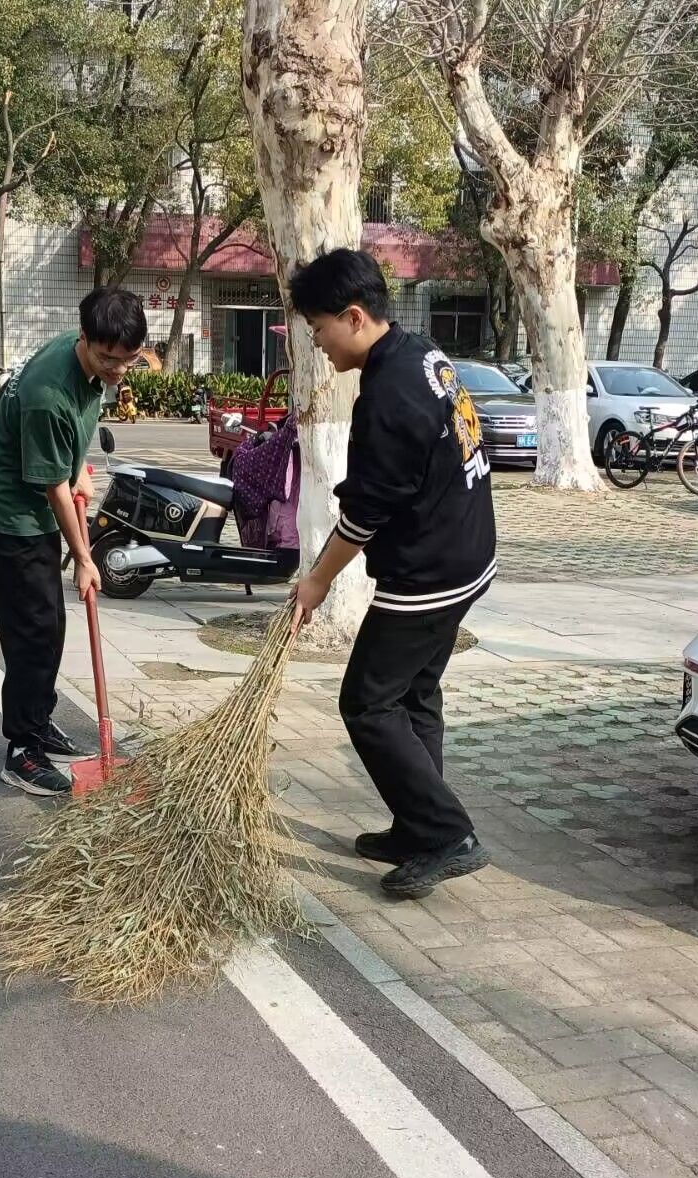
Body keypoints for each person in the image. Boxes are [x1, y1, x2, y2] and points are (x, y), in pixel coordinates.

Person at [287, 248, 497, 899]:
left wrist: (317, 581)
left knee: (367, 702)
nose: (318, 344)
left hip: (431, 570)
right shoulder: (420, 353)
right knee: (413, 696)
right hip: (466, 555)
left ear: (354, 317)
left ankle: (447, 834)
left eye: (319, 328)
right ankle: (418, 828)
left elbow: (364, 516)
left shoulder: (389, 394)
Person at [0, 287, 147, 796]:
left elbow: (69, 443)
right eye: (108, 360)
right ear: (85, 339)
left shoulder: (89, 351)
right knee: (32, 629)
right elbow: (53, 488)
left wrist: (78, 464)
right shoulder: (48, 395)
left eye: (129, 360)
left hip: (38, 496)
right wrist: (85, 558)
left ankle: (39, 721)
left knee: (50, 623)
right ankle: (22, 748)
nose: (118, 371)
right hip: (10, 509)